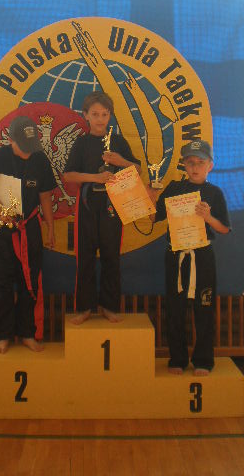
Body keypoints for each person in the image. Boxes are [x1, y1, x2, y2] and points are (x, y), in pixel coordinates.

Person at [148, 139, 230, 376]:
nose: (195, 167)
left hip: (202, 256)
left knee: (203, 308)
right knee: (175, 309)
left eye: (200, 162)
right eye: (190, 162)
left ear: (210, 165)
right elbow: (154, 218)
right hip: (176, 254)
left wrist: (208, 217)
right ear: (184, 164)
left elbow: (224, 228)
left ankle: (203, 360)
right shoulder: (174, 188)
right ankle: (178, 358)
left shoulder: (215, 193)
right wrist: (151, 197)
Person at [0, 115, 56, 354]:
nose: (28, 152)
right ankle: (2, 335)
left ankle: (28, 333)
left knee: (30, 280)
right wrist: (2, 213)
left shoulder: (40, 159)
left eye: (31, 146)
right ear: (11, 140)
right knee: (1, 281)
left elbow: (45, 197)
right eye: (24, 146)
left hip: (30, 226)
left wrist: (50, 228)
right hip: (1, 227)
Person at [62, 91, 141, 325]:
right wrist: (95, 178)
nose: (100, 119)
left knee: (111, 256)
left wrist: (120, 161)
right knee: (85, 257)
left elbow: (138, 170)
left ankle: (109, 306)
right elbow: (68, 175)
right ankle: (84, 308)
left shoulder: (118, 141)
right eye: (95, 114)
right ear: (85, 115)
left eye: (104, 114)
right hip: (87, 206)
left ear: (110, 116)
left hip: (113, 207)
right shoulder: (81, 143)